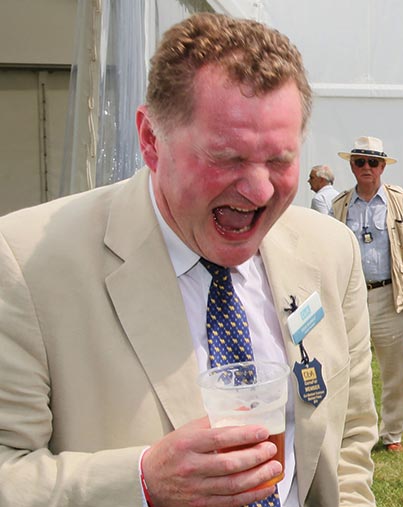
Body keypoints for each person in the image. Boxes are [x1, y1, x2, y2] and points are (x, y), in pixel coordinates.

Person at [0, 13, 378, 507]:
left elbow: (349, 437)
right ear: (151, 140)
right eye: (227, 157)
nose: (260, 189)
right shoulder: (27, 262)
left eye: (280, 160)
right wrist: (142, 482)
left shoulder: (330, 250)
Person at [332, 136, 403, 453]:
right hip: (350, 299)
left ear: (382, 166)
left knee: (396, 370)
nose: (367, 167)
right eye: (360, 161)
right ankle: (356, 433)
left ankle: (392, 434)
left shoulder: (400, 201)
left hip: (392, 296)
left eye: (373, 162)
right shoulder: (339, 205)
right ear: (351, 165)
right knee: (350, 369)